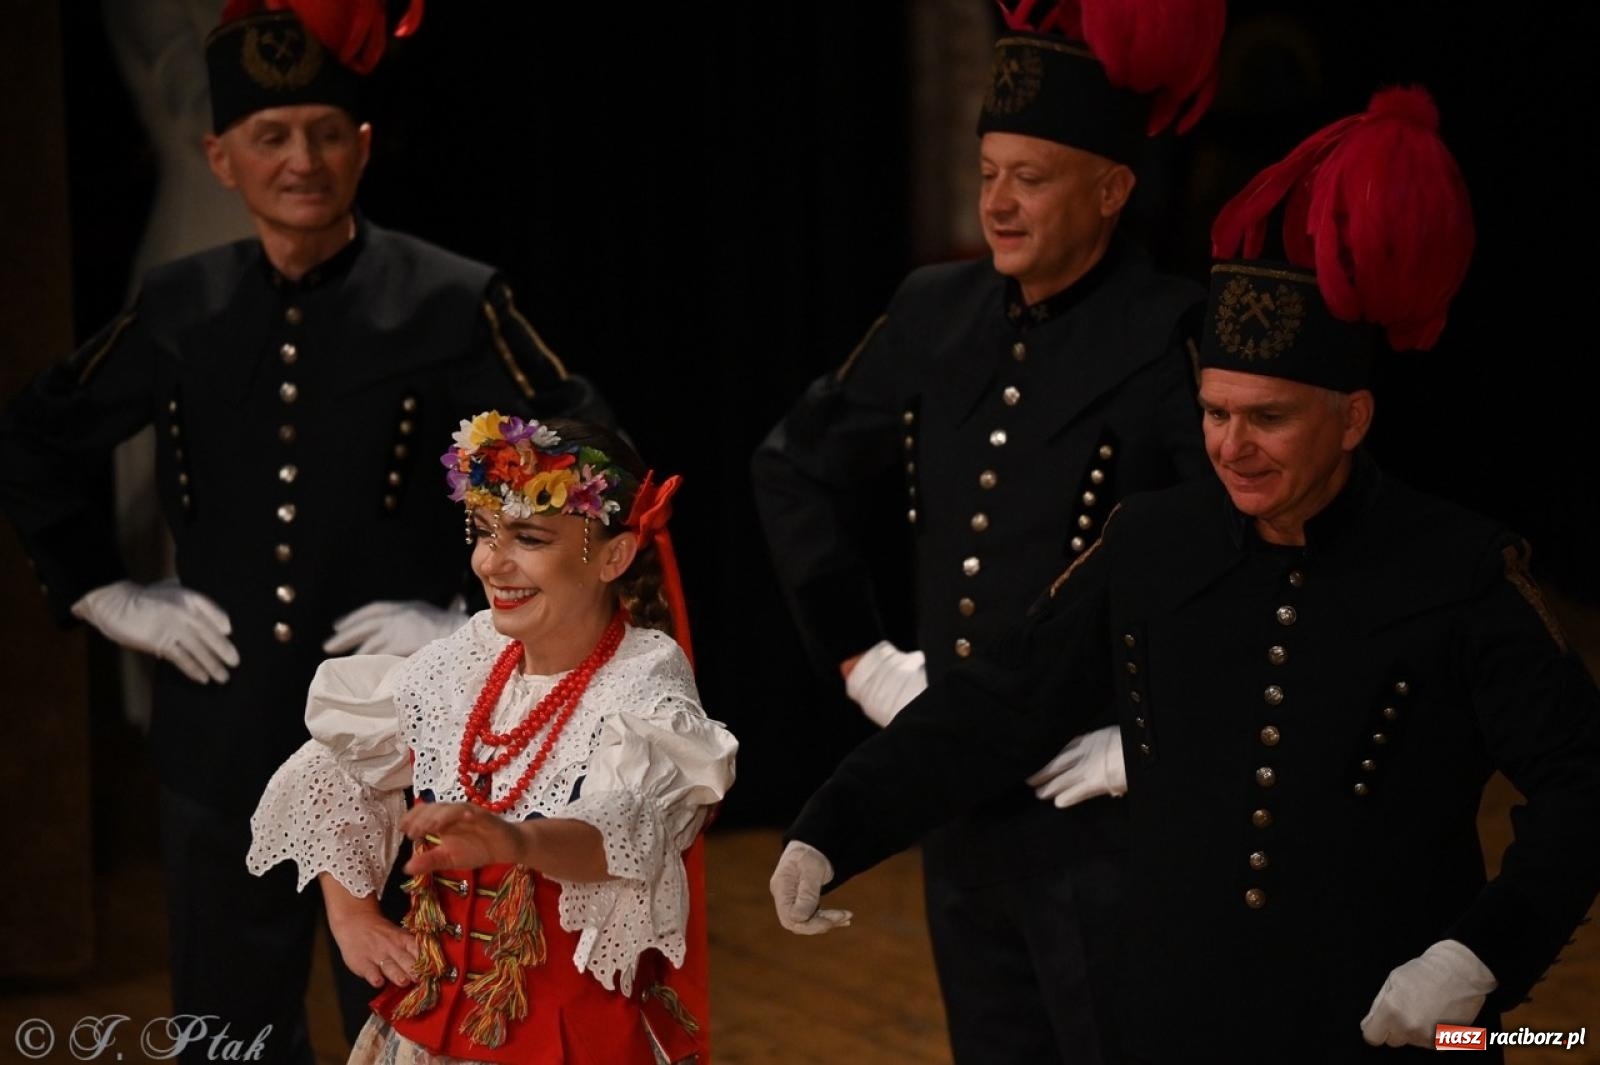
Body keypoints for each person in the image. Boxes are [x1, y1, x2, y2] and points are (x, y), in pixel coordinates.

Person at [769, 87, 1600, 1063]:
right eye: (1213, 413)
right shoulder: (1152, 543)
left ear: (1353, 417)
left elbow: (1583, 781)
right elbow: (1001, 699)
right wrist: (835, 825)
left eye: (1268, 418)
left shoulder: (1459, 569)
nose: (1231, 447)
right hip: (1173, 1023)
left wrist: (1479, 957)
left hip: (1399, 1031)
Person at [0, 3, 610, 1059]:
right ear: (221, 157)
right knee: (227, 1038)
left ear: (362, 147)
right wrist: (101, 590)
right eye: (272, 136)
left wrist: (475, 619)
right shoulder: (181, 306)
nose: (301, 161)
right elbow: (33, 438)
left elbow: (590, 457)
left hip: (406, 746)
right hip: (222, 744)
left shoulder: (450, 299)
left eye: (326, 134)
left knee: (420, 1035)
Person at [750, 1, 1224, 1059]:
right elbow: (793, 466)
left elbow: (1236, 553)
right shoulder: (936, 309)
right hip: (955, 791)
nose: (998, 203)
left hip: (1101, 805)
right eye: (988, 172)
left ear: (1111, 189)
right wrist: (864, 660)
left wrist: (1159, 740)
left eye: (1031, 177)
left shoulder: (1169, 331)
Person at [249, 413, 735, 1064]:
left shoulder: (641, 681)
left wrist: (518, 841)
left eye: (529, 537)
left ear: (614, 556)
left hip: (569, 1044)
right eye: (482, 532)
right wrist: (352, 916)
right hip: (429, 1030)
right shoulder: (473, 657)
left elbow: (627, 831)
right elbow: (336, 765)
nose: (491, 561)